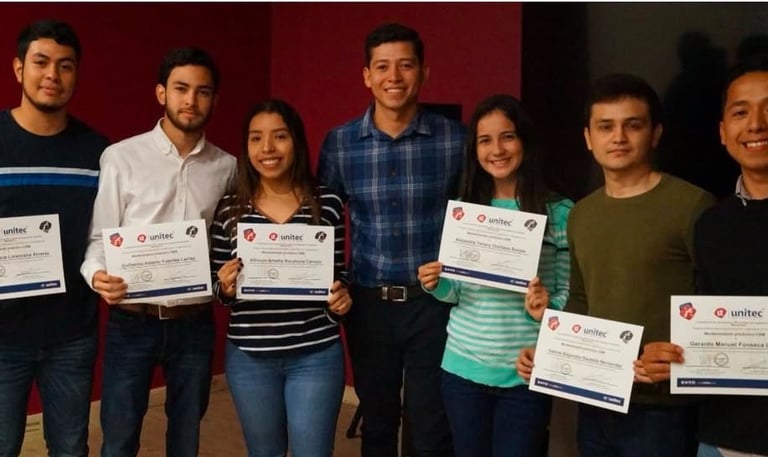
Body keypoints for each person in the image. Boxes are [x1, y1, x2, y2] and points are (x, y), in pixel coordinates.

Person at [516, 73, 714, 457]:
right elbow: (580, 300)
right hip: (595, 395)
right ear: (589, 138)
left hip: (663, 407)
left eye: (632, 125)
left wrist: (684, 355)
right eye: (605, 127)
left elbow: (718, 301)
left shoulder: (691, 205)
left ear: (655, 133)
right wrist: (552, 351)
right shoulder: (582, 214)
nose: (618, 137)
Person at [80, 47, 236, 457]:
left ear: (214, 100)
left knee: (186, 436)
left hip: (194, 323)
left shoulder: (228, 167)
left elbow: (227, 242)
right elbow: (99, 239)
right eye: (181, 89)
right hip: (132, 320)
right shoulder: (121, 157)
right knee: (119, 436)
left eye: (203, 92)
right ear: (161, 93)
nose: (191, 100)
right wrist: (97, 276)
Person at [317, 22, 464, 457]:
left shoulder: (455, 140)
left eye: (405, 65)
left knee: (430, 421)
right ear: (366, 75)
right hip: (368, 305)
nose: (393, 77)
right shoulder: (341, 143)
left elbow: (477, 215)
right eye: (382, 67)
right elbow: (323, 225)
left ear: (424, 72)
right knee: (378, 419)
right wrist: (333, 280)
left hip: (432, 304)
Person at [417, 94, 573, 457]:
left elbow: (569, 289)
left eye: (508, 136)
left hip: (525, 370)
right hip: (461, 366)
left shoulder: (560, 212)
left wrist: (549, 307)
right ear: (474, 150)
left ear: (524, 142)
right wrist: (437, 283)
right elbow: (457, 291)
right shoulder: (466, 211)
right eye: (485, 140)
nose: (497, 149)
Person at [640, 55, 768, 457]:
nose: (756, 124)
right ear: (723, 131)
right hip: (722, 436)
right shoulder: (711, 223)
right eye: (740, 112)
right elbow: (705, 315)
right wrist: (670, 354)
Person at [210, 98, 351, 457]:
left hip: (315, 354)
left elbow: (338, 276)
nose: (267, 148)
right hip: (249, 356)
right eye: (256, 139)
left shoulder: (328, 202)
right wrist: (224, 286)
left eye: (279, 137)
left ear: (296, 143)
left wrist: (340, 300)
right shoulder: (229, 207)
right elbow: (216, 283)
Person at [0, 19, 109, 457]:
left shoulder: (99, 152)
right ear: (17, 68)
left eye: (65, 66)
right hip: (3, 335)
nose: (52, 75)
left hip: (72, 333)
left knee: (69, 446)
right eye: (41, 63)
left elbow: (104, 234)